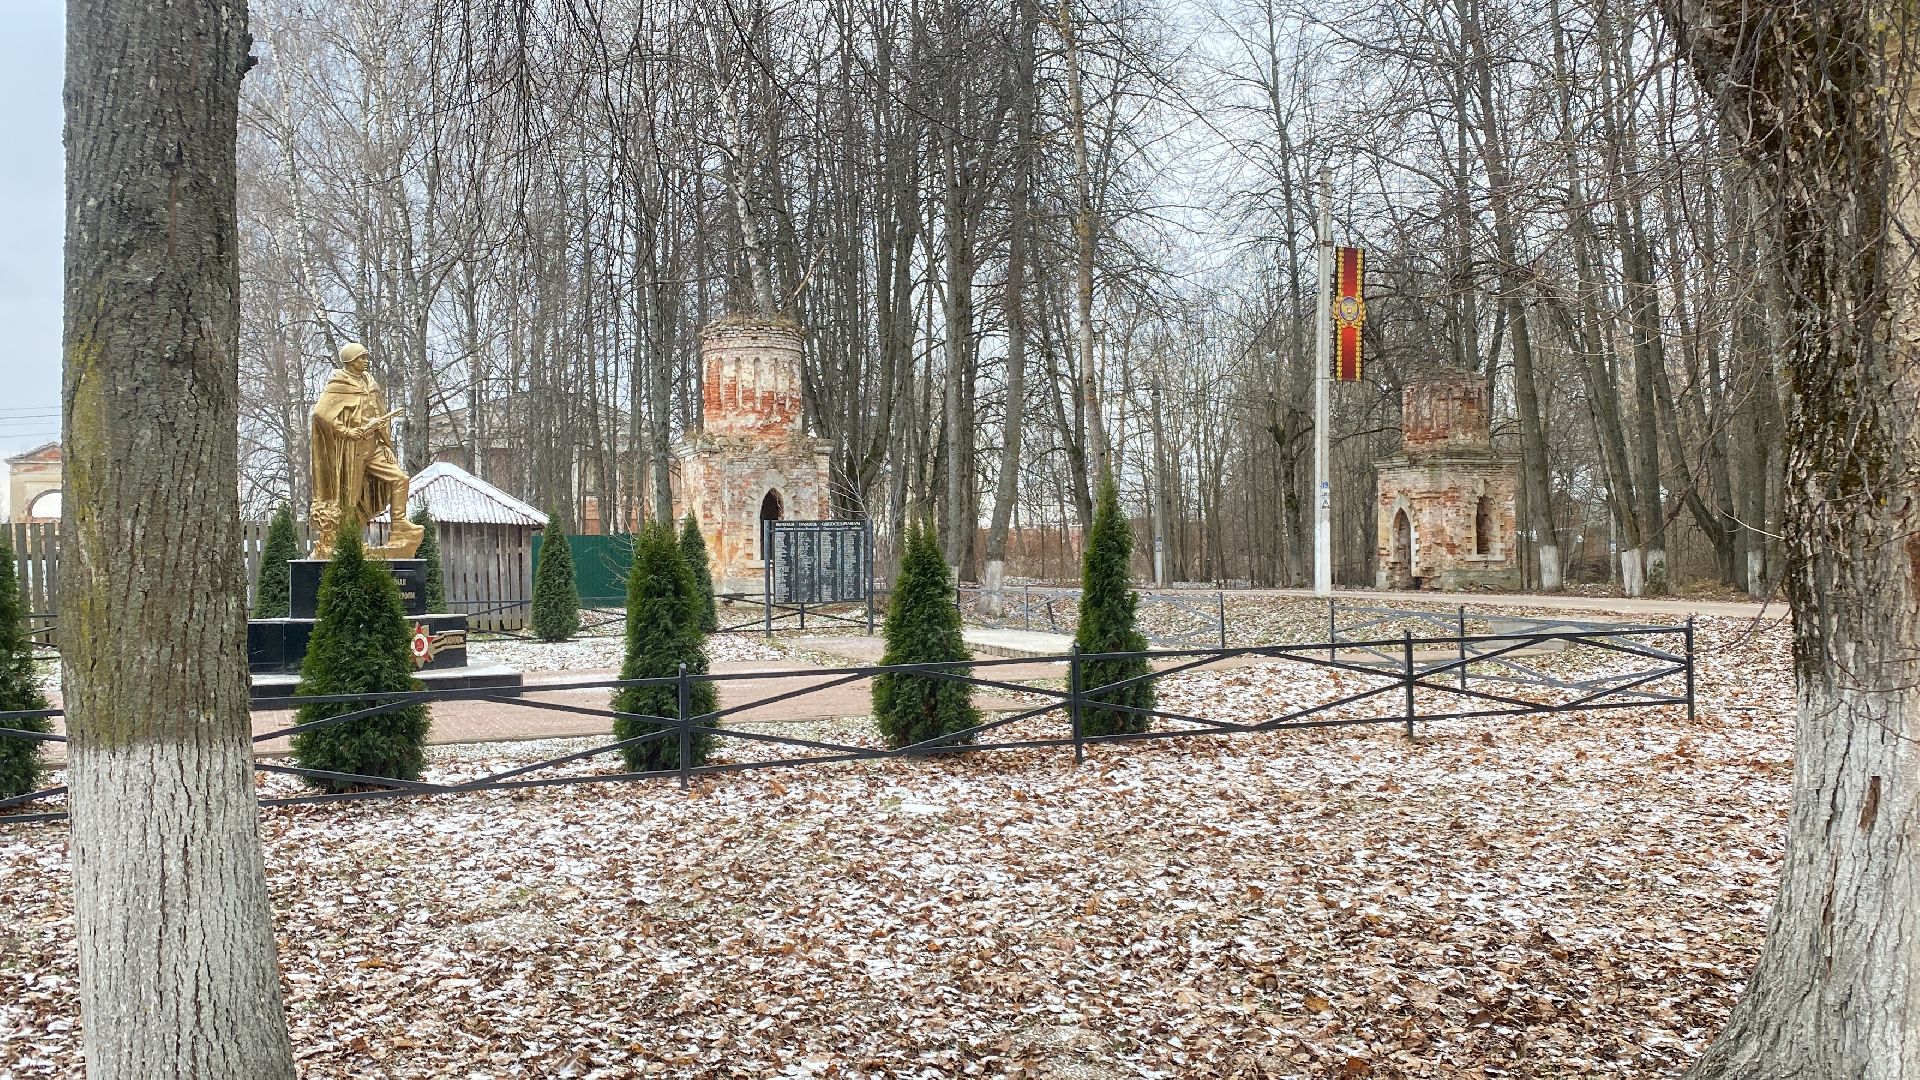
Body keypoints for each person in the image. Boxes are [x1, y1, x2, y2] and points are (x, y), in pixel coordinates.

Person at [308, 342, 423, 559]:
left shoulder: (371, 382)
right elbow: (320, 414)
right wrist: (346, 431)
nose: (366, 361)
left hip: (373, 446)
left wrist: (386, 445)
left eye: (366, 357)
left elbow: (380, 414)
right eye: (362, 358)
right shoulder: (338, 384)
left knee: (400, 479)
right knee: (349, 498)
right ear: (351, 361)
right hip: (351, 450)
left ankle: (399, 526)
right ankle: (347, 541)